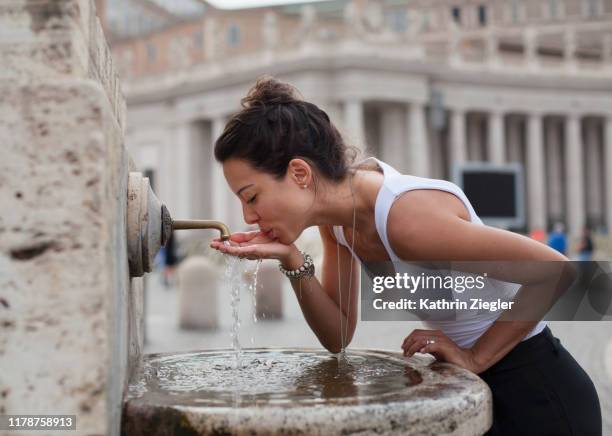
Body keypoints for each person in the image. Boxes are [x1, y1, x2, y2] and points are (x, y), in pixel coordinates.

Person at [209, 76, 601, 435]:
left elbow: (554, 270)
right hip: (479, 392)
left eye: (252, 196)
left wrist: (475, 357)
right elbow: (338, 334)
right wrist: (292, 260)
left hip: (539, 395)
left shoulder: (404, 219)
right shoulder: (338, 224)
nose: (248, 216)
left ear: (299, 174)